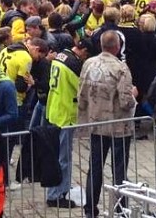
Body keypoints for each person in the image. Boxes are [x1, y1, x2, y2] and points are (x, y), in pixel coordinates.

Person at [78, 31, 137, 218]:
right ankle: (120, 209)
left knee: (94, 167)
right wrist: (134, 95)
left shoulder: (88, 64)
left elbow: (81, 94)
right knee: (119, 169)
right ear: (117, 47)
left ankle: (90, 209)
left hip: (96, 123)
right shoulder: (121, 68)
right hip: (118, 126)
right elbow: (126, 101)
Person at [44, 38, 93, 208]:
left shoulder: (61, 56)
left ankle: (58, 190)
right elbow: (84, 90)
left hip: (54, 110)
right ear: (84, 50)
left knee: (57, 155)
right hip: (65, 114)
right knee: (63, 158)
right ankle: (57, 194)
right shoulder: (74, 65)